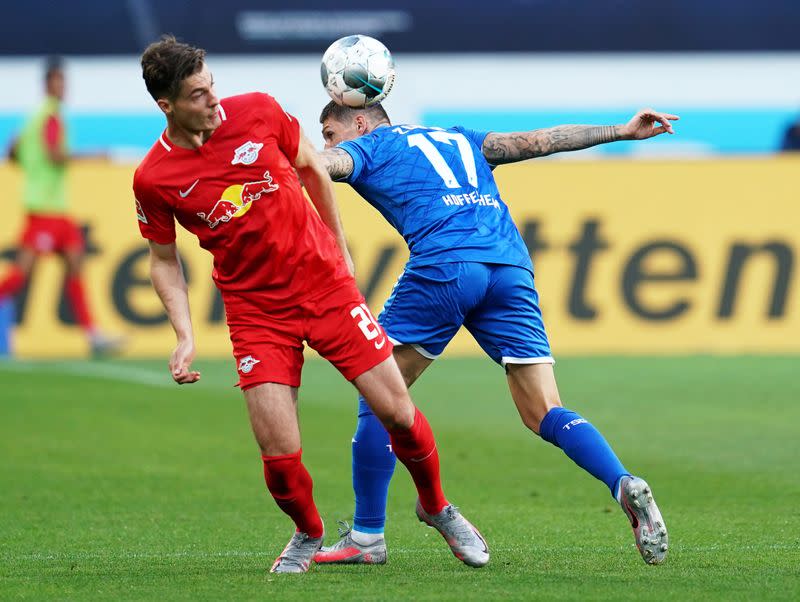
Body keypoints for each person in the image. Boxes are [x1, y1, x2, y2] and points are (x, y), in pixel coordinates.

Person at [132, 36, 488, 574]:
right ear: (167, 105)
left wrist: (340, 251)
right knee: (277, 452)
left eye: (211, 86)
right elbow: (164, 260)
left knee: (394, 410)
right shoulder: (154, 178)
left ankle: (436, 506)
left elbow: (311, 168)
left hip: (324, 287)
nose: (214, 100)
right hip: (256, 312)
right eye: (199, 95)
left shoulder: (257, 110)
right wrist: (184, 334)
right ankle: (308, 532)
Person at [313, 102, 679, 566]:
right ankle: (622, 481)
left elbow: (322, 163)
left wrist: (266, 157)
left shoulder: (369, 145)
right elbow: (540, 140)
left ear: (359, 121)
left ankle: (367, 536)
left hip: (444, 266)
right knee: (544, 410)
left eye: (329, 131)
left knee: (378, 394)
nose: (328, 142)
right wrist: (620, 131)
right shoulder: (457, 137)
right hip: (509, 266)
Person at [0, 57, 122, 355]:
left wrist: (31, 162)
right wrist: (93, 157)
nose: (63, 87)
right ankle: (93, 335)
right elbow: (55, 156)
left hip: (55, 209)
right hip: (44, 209)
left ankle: (93, 335)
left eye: (64, 81)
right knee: (21, 274)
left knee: (75, 263)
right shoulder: (51, 115)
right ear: (47, 84)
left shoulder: (33, 118)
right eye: (58, 81)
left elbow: (13, 150)